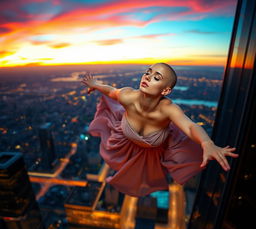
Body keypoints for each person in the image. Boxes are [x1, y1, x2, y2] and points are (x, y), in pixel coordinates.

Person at [82, 63, 239, 197]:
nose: (147, 77)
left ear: (165, 91)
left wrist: (206, 143)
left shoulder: (168, 109)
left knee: (146, 179)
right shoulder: (128, 96)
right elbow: (112, 91)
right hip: (124, 141)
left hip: (154, 151)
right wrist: (96, 84)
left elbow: (190, 126)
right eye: (147, 73)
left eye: (156, 77)